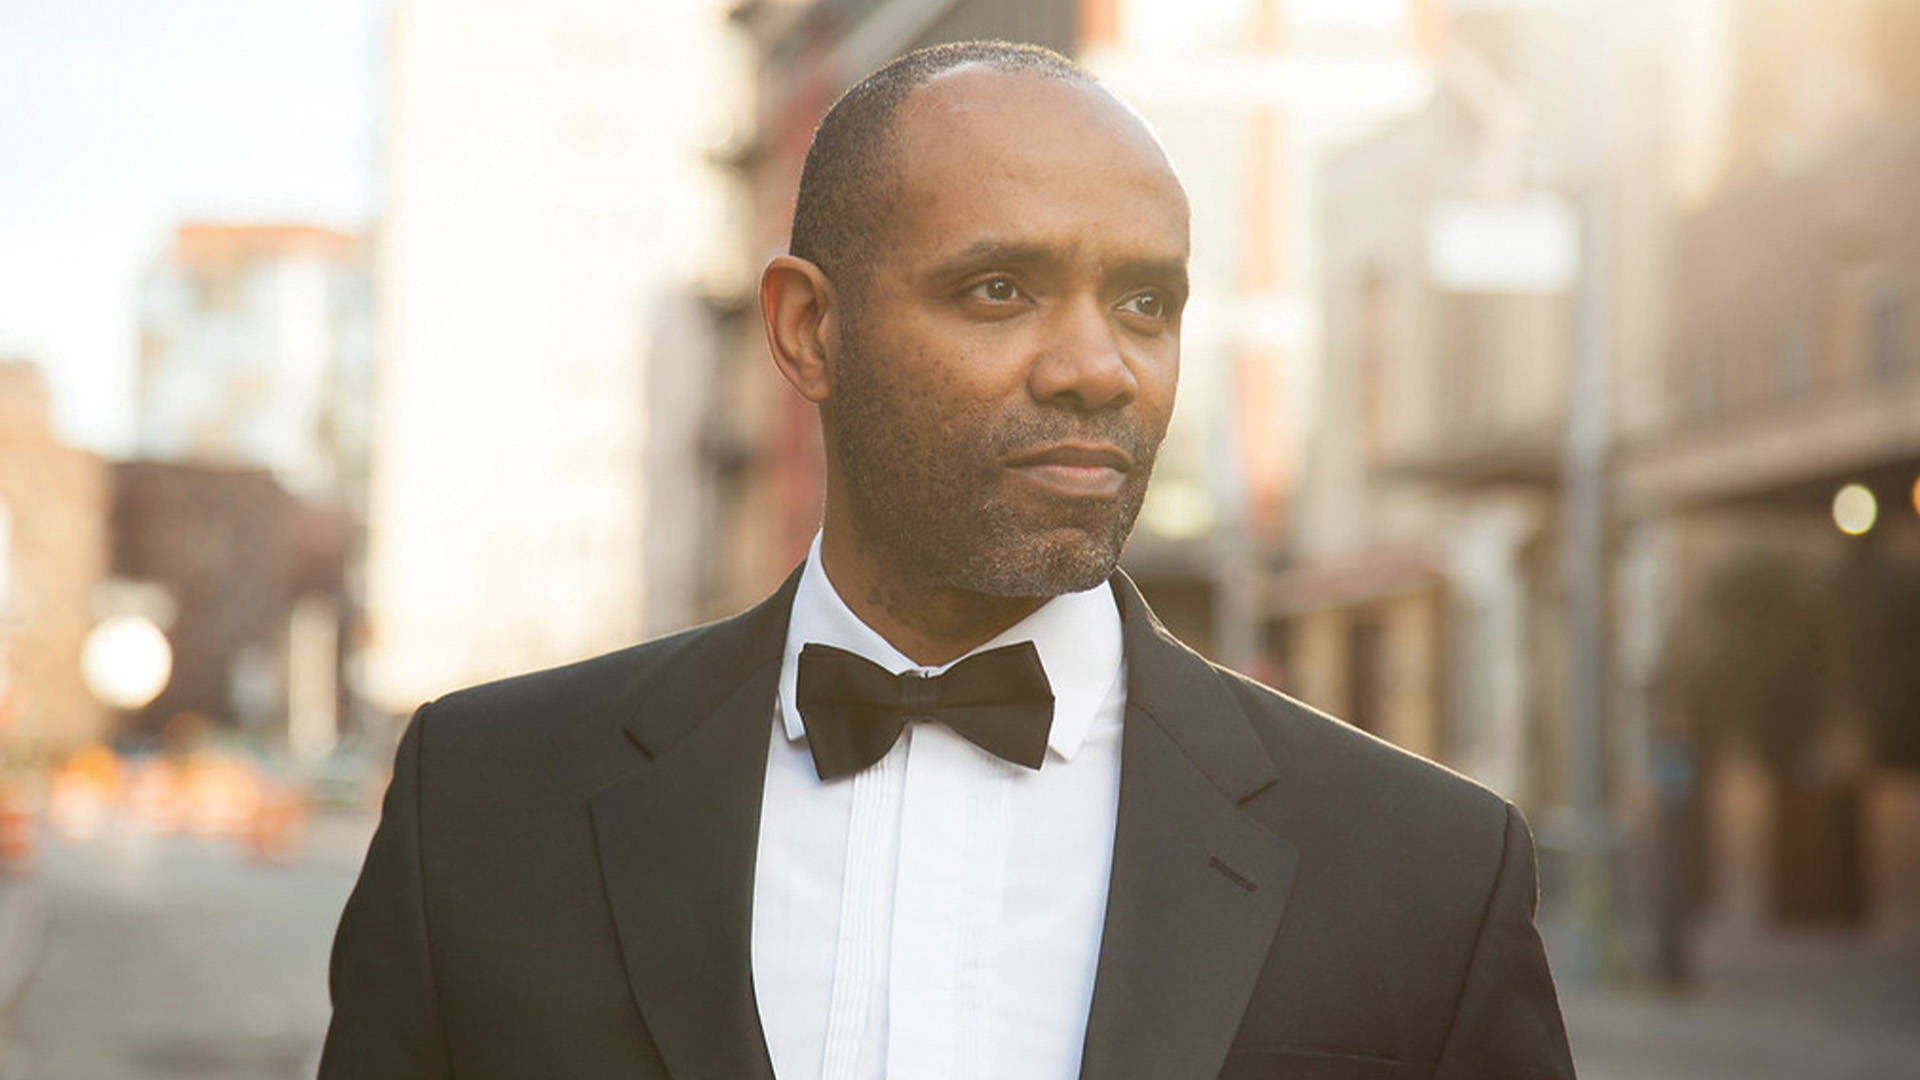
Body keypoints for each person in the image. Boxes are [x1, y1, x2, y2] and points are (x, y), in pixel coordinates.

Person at [321, 41, 1576, 1080]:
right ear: (809, 330)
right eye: (998, 289)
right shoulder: (483, 806)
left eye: (1146, 302)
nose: (1099, 365)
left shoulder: (1428, 872)